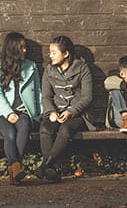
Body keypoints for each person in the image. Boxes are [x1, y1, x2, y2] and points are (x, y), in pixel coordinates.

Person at [0, 32, 42, 185]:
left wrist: (40, 114)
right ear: (12, 48)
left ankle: (14, 171)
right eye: (22, 47)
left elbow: (38, 93)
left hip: (23, 111)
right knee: (10, 133)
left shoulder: (31, 67)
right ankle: (16, 166)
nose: (25, 50)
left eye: (25, 47)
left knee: (24, 127)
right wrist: (8, 113)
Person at [36, 35, 96, 182]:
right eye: (50, 52)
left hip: (79, 114)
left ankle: (45, 165)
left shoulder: (82, 68)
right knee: (45, 128)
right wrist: (51, 112)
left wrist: (71, 111)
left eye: (53, 52)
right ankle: (50, 170)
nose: (50, 56)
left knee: (65, 129)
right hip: (56, 112)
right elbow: (46, 96)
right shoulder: (49, 70)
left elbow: (87, 97)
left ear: (66, 53)